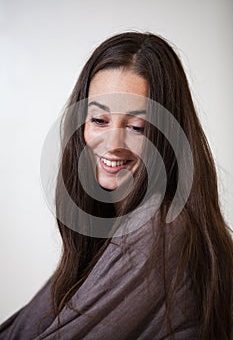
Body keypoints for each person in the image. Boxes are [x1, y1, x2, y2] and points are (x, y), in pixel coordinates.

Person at [0, 32, 232, 340]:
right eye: (99, 120)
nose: (113, 144)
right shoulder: (114, 224)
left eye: (137, 127)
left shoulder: (159, 230)